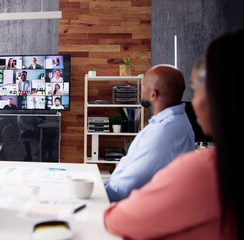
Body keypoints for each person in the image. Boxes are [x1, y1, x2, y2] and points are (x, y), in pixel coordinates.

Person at [104, 28, 244, 239]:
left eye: (197, 90)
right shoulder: (169, 125)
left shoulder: (208, 167)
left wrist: (97, 196)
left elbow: (119, 217)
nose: (194, 102)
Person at [104, 64, 195, 202]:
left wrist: (97, 194)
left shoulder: (165, 132)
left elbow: (127, 186)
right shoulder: (169, 122)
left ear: (153, 94)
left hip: (125, 206)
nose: (141, 89)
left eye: (144, 85)